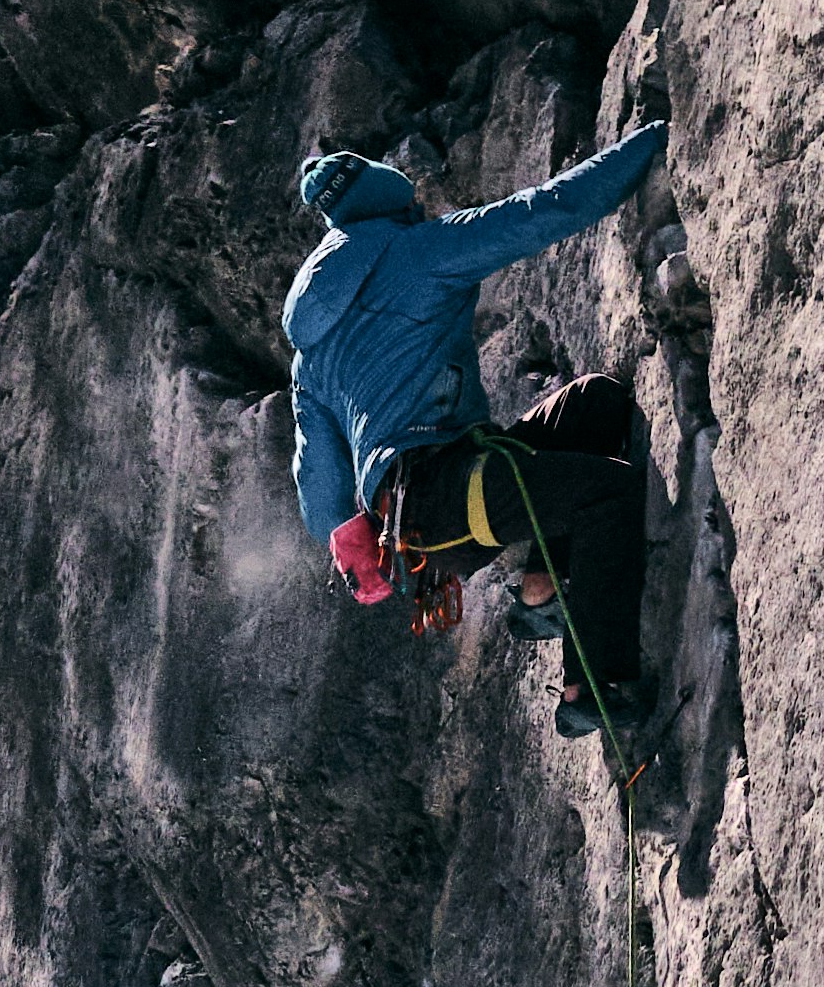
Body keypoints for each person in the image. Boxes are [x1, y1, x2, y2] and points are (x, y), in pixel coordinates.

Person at [285, 123, 665, 749]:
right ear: (395, 204)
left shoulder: (310, 351)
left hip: (421, 514)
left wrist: (347, 534)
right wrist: (646, 144)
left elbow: (318, 478)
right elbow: (544, 210)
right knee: (609, 496)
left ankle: (543, 593)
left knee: (595, 405)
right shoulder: (414, 253)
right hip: (445, 497)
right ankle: (592, 689)